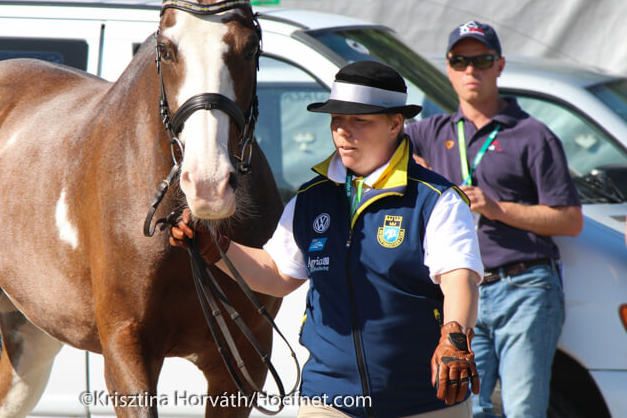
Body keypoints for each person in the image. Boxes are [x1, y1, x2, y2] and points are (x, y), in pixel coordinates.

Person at [171, 60, 484, 418]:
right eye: (337, 119)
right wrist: (216, 248)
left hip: (425, 401)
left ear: (395, 123)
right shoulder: (311, 197)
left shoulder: (436, 198)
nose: (343, 132)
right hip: (330, 399)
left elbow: (459, 278)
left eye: (359, 120)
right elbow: (277, 274)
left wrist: (455, 337)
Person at [405, 21, 584, 418]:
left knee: (523, 409)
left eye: (482, 60)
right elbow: (377, 145)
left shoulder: (532, 134)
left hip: (523, 287)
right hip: (460, 293)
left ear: (499, 65)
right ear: (448, 68)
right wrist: (411, 166)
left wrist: (494, 207)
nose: (471, 70)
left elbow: (570, 221)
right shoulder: (430, 132)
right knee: (466, 408)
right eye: (460, 61)